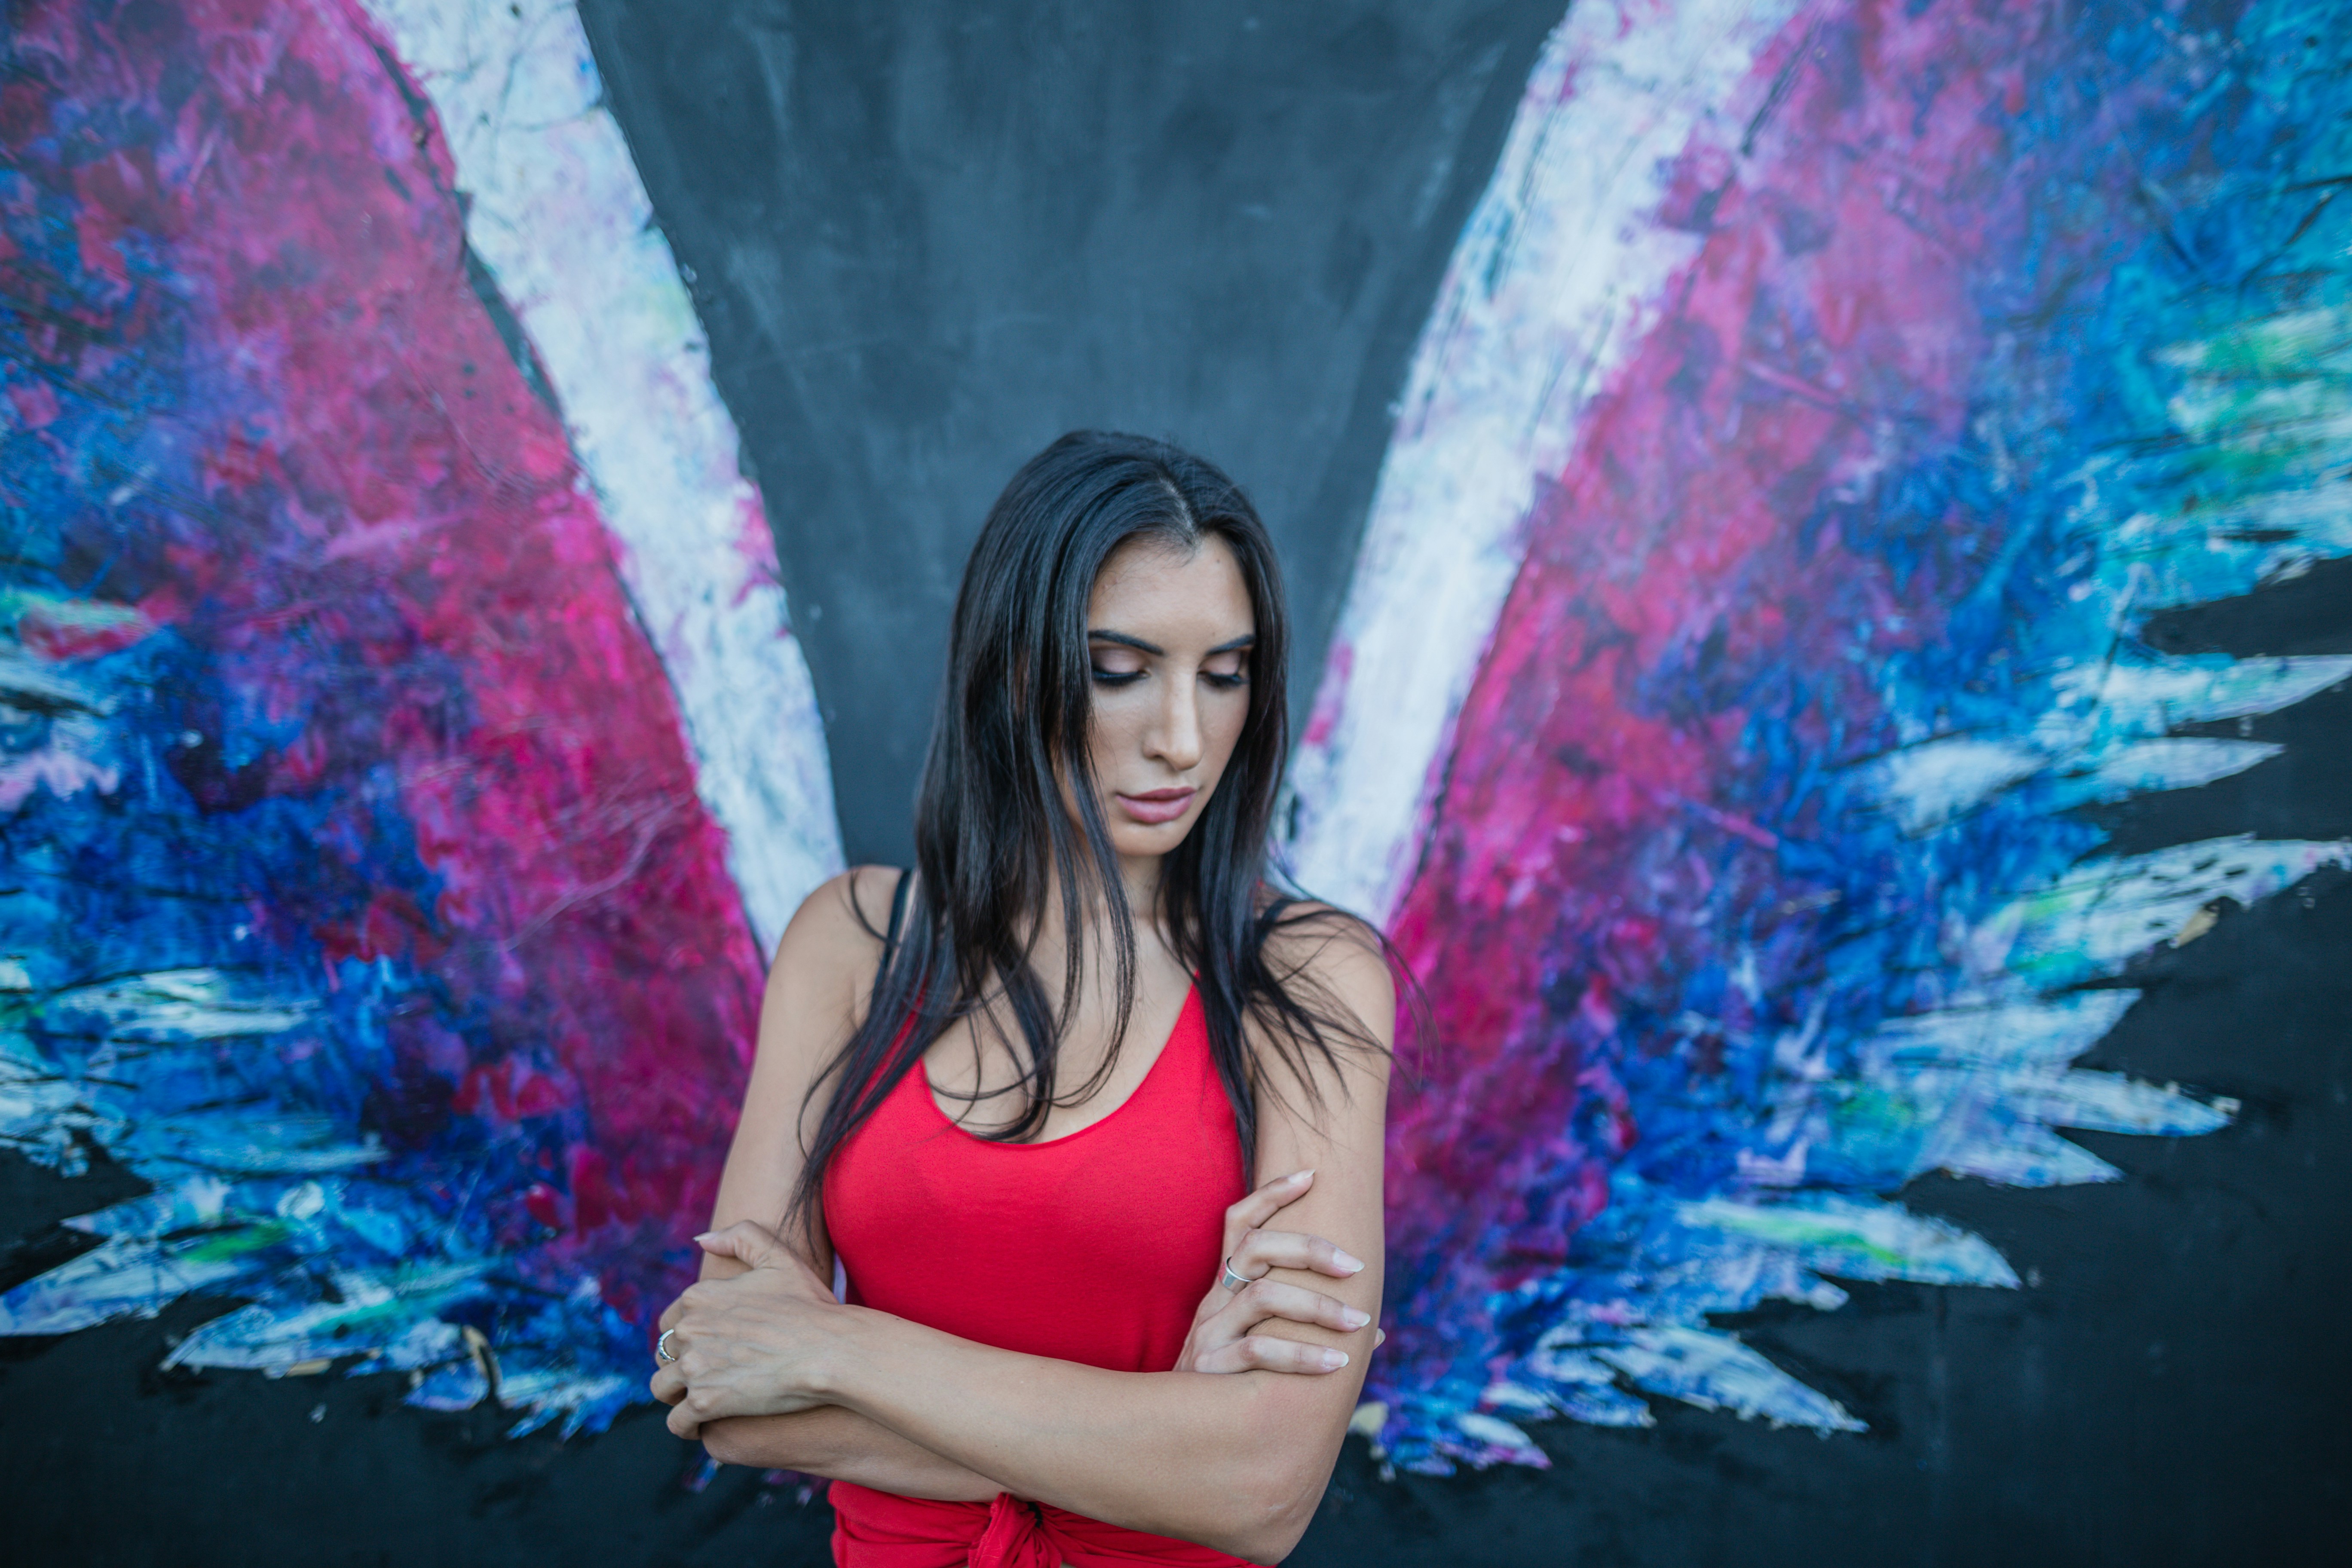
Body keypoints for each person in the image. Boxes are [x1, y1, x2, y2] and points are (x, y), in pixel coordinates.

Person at [649, 431, 1395, 1567]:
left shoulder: (1308, 980)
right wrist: (1162, 1426)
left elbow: (1263, 1485)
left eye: (1225, 672)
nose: (1184, 739)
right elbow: (731, 1394)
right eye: (1120, 669)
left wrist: (837, 1352)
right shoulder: (852, 946)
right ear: (1013, 664)